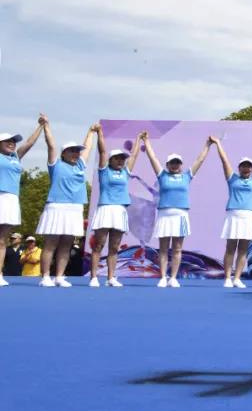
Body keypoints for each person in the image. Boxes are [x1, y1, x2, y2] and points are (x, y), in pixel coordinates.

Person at [142, 135, 212, 288]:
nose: (175, 165)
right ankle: (163, 277)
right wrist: (146, 142)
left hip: (180, 215)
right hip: (164, 215)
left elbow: (199, 160)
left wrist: (207, 145)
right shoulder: (162, 175)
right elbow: (153, 158)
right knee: (163, 248)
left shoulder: (187, 176)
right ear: (167, 165)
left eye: (177, 163)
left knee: (177, 248)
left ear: (181, 165)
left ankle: (173, 277)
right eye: (172, 163)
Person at [35, 121, 95, 288]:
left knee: (67, 244)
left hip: (75, 208)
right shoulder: (56, 164)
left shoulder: (80, 165)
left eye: (77, 151)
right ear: (63, 153)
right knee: (51, 243)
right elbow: (51, 145)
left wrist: (91, 132)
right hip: (56, 206)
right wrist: (46, 126)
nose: (76, 153)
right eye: (72, 150)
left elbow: (88, 148)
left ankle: (59, 277)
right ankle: (45, 276)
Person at [211, 136, 252, 288]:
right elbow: (224, 160)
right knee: (230, 248)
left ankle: (237, 278)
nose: (246, 168)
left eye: (248, 166)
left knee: (243, 250)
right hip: (234, 215)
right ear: (239, 168)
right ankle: (228, 278)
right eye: (243, 166)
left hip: (249, 216)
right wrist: (218, 143)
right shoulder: (232, 178)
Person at [87, 127, 144, 287]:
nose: (120, 161)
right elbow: (102, 151)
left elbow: (134, 155)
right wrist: (100, 133)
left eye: (122, 159)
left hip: (120, 211)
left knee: (114, 247)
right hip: (105, 209)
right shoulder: (104, 171)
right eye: (117, 158)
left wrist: (138, 138)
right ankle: (94, 277)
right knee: (99, 245)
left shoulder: (125, 172)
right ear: (110, 160)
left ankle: (111, 278)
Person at [0, 115, 47, 287]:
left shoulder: (15, 157)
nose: (12, 143)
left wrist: (41, 126)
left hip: (11, 199)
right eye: (7, 141)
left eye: (13, 141)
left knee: (2, 240)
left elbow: (29, 143)